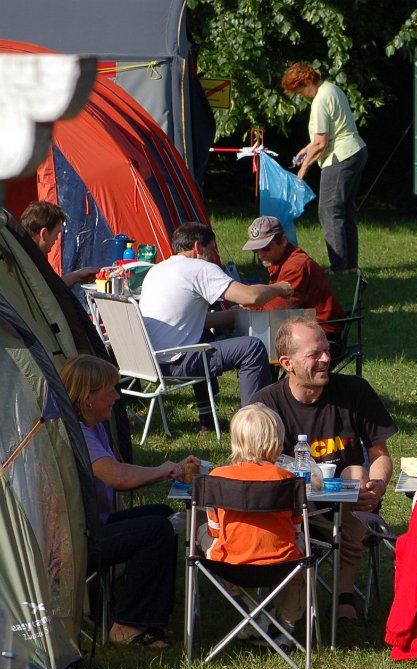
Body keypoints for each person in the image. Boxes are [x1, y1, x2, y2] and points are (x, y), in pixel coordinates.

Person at [250, 317, 395, 622]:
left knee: (356, 474)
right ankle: (286, 605)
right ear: (288, 363)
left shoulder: (354, 392)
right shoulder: (266, 404)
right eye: (315, 354)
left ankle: (344, 596)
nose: (327, 359)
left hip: (349, 505)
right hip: (290, 511)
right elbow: (254, 467)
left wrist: (378, 484)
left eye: (327, 351)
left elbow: (380, 454)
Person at [60, 355, 199, 648]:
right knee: (156, 530)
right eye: (111, 389)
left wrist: (166, 471)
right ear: (88, 398)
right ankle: (126, 625)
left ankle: (151, 618)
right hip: (75, 539)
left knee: (162, 516)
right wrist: (164, 470)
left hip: (93, 524)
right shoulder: (79, 434)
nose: (117, 396)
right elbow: (117, 477)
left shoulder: (93, 425)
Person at [138, 222, 295, 432]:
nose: (214, 256)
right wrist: (279, 287)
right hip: (178, 361)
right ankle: (253, 425)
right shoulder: (200, 268)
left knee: (201, 336)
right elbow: (251, 297)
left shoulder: (157, 269)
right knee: (252, 348)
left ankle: (207, 419)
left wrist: (233, 316)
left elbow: (187, 322)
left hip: (151, 360)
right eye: (212, 250)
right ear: (197, 247)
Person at [204, 403, 305, 641]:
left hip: (231, 562)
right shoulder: (287, 479)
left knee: (203, 535)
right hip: (282, 563)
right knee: (302, 562)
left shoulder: (217, 477)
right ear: (276, 444)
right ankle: (284, 628)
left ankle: (252, 609)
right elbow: (296, 529)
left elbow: (214, 528)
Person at [282, 62, 367, 274]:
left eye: (300, 89)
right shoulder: (333, 89)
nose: (301, 95)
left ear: (308, 81)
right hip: (355, 151)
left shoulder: (320, 100)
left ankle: (339, 267)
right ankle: (350, 266)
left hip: (340, 157)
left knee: (329, 211)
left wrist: (303, 170)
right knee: (345, 212)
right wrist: (306, 149)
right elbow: (327, 134)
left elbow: (322, 142)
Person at [241, 215, 345, 332]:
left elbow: (274, 312)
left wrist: (246, 308)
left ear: (283, 241)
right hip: (304, 324)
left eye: (266, 248)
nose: (261, 255)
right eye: (255, 250)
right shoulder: (281, 260)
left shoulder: (295, 267)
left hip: (321, 331)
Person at [20, 201, 99, 287]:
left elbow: (51, 287)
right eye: (56, 233)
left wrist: (77, 276)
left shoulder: (22, 252)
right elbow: (48, 292)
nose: (57, 238)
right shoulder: (29, 264)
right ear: (44, 233)